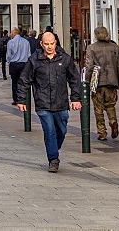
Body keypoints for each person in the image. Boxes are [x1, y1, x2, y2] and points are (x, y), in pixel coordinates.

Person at [15, 31, 81, 173]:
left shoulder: (65, 59)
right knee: (49, 131)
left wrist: (76, 98)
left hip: (61, 101)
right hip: (43, 101)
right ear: (41, 44)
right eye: (46, 44)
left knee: (62, 130)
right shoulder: (34, 60)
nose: (49, 47)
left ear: (55, 43)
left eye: (52, 43)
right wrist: (20, 100)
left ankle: (53, 148)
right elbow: (24, 81)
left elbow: (75, 79)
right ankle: (53, 159)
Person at [84, 26, 119, 141]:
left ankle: (102, 132)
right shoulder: (115, 47)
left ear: (96, 35)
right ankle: (113, 121)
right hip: (112, 81)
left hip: (98, 83)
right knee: (110, 105)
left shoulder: (91, 48)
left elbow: (89, 66)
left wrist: (86, 81)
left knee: (98, 107)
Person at [5, 28, 32, 101]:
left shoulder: (10, 42)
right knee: (23, 82)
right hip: (24, 64)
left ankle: (16, 99)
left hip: (14, 64)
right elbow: (28, 54)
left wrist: (9, 62)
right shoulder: (26, 42)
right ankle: (23, 98)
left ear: (13, 33)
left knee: (14, 82)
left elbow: (8, 55)